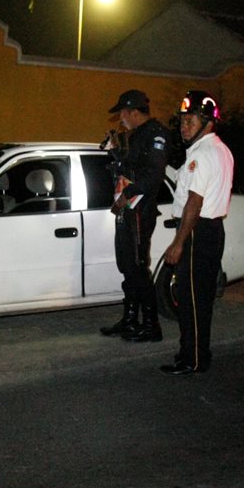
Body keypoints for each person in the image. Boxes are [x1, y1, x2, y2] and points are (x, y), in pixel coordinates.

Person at [158, 90, 234, 376]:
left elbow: (195, 201)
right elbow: (180, 180)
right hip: (208, 230)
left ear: (208, 123)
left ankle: (193, 359)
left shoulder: (203, 154)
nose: (184, 126)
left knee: (190, 300)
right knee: (196, 298)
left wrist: (179, 242)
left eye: (191, 120)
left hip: (197, 231)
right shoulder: (215, 151)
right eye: (182, 120)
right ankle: (195, 354)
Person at [99, 90, 172, 342]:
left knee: (139, 267)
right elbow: (132, 167)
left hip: (140, 208)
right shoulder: (136, 135)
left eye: (122, 113)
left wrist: (127, 192)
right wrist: (117, 154)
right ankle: (130, 319)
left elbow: (153, 176)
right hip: (128, 208)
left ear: (133, 111)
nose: (120, 119)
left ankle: (151, 326)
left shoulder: (155, 134)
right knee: (127, 265)